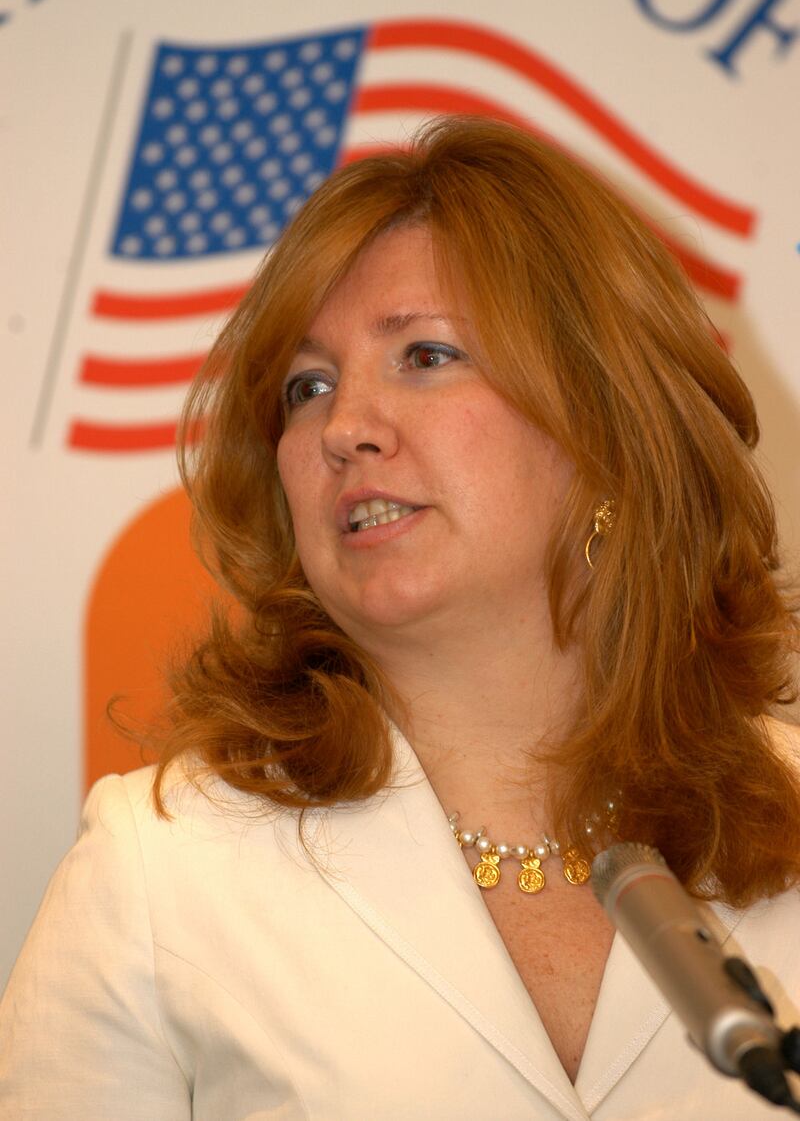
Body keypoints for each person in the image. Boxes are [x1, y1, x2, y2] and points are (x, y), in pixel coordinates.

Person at [1, 116, 799, 1120]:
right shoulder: (158, 871)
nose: (342, 430)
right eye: (306, 386)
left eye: (424, 354)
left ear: (609, 431)